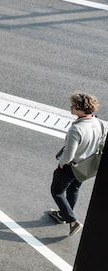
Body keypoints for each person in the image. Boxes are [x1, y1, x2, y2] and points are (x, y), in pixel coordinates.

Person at [49, 92, 104, 237]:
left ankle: (72, 221)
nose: (71, 107)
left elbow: (69, 154)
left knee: (57, 191)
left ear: (80, 108)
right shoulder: (98, 122)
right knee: (73, 189)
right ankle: (63, 215)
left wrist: (62, 164)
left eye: (73, 105)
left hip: (71, 166)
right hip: (85, 166)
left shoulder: (76, 129)